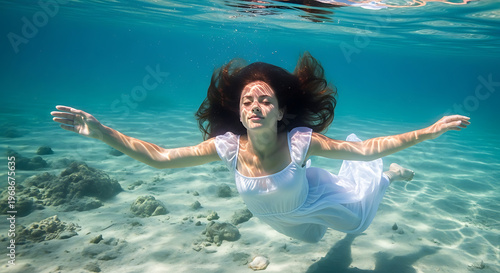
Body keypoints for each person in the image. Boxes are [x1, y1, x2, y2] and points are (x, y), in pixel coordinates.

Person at [51, 52, 470, 243]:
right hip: (279, 217)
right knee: (309, 241)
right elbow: (160, 158)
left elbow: (363, 149)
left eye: (265, 98)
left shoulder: (301, 142)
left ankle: (387, 178)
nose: (255, 105)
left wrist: (427, 132)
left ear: (281, 110)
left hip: (317, 199)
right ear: (238, 110)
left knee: (358, 222)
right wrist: (102, 131)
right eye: (247, 99)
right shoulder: (228, 147)